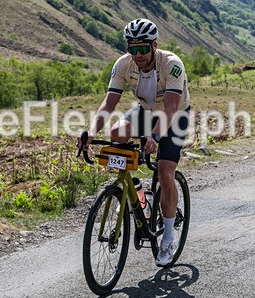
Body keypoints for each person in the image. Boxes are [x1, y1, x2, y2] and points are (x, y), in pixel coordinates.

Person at [78, 18, 191, 267]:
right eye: (133, 48)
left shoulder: (171, 64)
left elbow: (171, 107)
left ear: (154, 46)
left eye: (142, 48)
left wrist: (155, 136)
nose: (138, 54)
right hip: (145, 110)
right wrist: (91, 132)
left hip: (174, 114)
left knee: (165, 172)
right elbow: (109, 103)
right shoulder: (123, 64)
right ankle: (136, 190)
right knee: (117, 133)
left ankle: (168, 238)